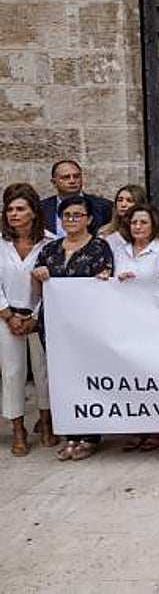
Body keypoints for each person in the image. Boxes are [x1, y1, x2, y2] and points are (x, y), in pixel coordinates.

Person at [32, 195, 113, 461]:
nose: (71, 220)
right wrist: (38, 277)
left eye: (77, 215)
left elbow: (107, 284)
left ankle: (89, 436)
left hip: (87, 327)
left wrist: (105, 280)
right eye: (66, 216)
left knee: (87, 379)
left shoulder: (100, 247)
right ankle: (70, 434)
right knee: (62, 379)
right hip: (55, 326)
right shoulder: (49, 250)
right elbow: (37, 292)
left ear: (89, 219)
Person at [0, 184, 57, 456]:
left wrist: (35, 316)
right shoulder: (0, 242)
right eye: (9, 209)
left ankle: (46, 422)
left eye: (20, 208)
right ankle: (18, 429)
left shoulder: (50, 242)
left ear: (33, 212)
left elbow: (54, 284)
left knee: (43, 370)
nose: (14, 214)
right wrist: (8, 315)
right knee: (12, 373)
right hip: (6, 316)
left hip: (38, 316)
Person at [40, 159, 113, 236]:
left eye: (76, 176)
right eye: (66, 177)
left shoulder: (104, 207)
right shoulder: (41, 209)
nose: (72, 181)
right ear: (54, 182)